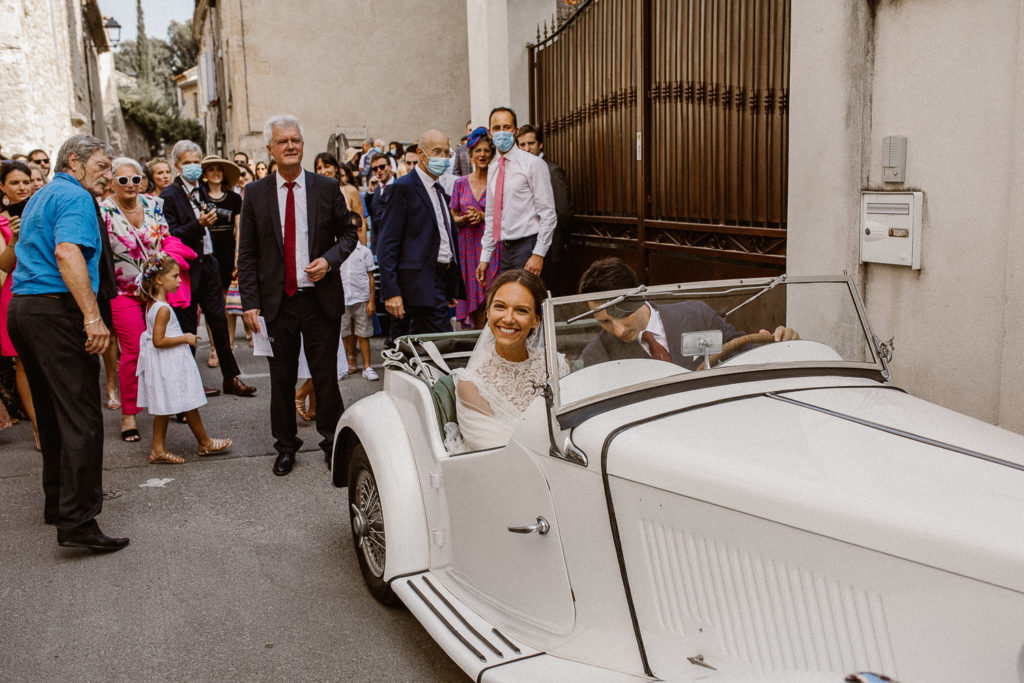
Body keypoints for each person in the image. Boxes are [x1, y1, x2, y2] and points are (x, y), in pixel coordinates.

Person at [7, 134, 129, 552]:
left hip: (24, 310)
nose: (108, 174)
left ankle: (58, 502)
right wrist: (93, 317)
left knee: (53, 411)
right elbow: (66, 252)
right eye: (102, 165)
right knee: (80, 415)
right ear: (74, 161)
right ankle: (78, 520)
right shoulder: (75, 196)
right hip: (53, 311)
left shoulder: (42, 194)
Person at [237, 114, 358, 477]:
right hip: (278, 304)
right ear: (271, 149)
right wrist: (250, 303)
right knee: (281, 379)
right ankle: (286, 446)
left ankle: (331, 442)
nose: (290, 146)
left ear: (302, 145)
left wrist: (329, 260)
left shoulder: (325, 187)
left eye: (296, 140)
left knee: (325, 378)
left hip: (320, 301)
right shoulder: (256, 194)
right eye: (283, 141)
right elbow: (247, 254)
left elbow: (349, 235)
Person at [577, 257, 799, 369]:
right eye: (605, 321)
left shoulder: (697, 315)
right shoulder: (597, 356)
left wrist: (777, 344)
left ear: (639, 296)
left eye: (622, 314)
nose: (618, 330)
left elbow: (739, 350)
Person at [160, 140, 255, 398]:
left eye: (195, 162)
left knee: (219, 322)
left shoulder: (201, 190)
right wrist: (198, 224)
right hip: (186, 268)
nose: (192, 167)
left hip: (209, 263)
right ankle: (190, 382)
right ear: (178, 166)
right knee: (188, 326)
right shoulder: (169, 195)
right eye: (187, 163)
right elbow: (168, 234)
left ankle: (231, 377)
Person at [453, 269, 569, 452]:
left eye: (521, 310)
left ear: (536, 320)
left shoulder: (556, 365)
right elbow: (494, 449)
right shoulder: (472, 383)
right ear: (488, 312)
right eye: (500, 307)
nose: (508, 318)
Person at [99, 157, 171, 442]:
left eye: (136, 179)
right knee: (134, 350)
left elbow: (164, 241)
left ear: (143, 180)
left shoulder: (155, 204)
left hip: (155, 289)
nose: (130, 185)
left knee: (161, 345)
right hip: (121, 291)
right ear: (112, 182)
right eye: (123, 180)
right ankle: (129, 413)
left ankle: (165, 403)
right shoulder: (103, 209)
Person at [135, 254, 232, 464]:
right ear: (159, 279)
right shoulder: (162, 309)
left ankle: (158, 449)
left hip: (166, 362)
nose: (180, 280)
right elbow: (158, 340)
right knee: (186, 401)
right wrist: (185, 338)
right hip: (170, 363)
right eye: (175, 276)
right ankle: (204, 442)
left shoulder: (153, 304)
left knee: (166, 407)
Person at [378, 129, 466, 337]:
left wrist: (448, 286)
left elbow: (443, 239)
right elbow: (387, 243)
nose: (443, 158)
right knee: (440, 342)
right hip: (416, 285)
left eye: (446, 153)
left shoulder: (440, 192)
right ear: (420, 153)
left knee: (420, 348)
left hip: (437, 283)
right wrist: (391, 292)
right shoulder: (404, 189)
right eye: (437, 151)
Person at [476, 107, 557, 282]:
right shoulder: (494, 168)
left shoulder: (533, 164)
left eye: (507, 127)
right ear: (490, 133)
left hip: (528, 246)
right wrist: (485, 257)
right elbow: (491, 216)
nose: (502, 133)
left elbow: (548, 213)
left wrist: (538, 253)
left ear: (516, 131)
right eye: (497, 128)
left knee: (530, 303)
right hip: (505, 250)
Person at [1, 161, 38, 448]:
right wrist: (14, 238)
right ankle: (39, 428)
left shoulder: (44, 210)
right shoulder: (2, 221)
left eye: (25, 181)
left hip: (48, 288)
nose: (22, 187)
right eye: (14, 182)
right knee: (24, 362)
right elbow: (3, 265)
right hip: (14, 292)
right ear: (3, 188)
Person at [450, 128, 500, 329]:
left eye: (486, 151)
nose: (482, 155)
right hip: (468, 248)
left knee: (491, 293)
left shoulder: (498, 182)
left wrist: (482, 216)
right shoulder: (460, 183)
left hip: (492, 248)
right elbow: (452, 216)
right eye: (478, 151)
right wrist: (463, 219)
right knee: (472, 294)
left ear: (492, 154)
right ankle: (477, 342)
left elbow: (505, 216)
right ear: (471, 155)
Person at [516, 124, 574, 295]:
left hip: (550, 250)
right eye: (522, 145)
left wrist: (559, 243)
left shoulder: (552, 171)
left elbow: (563, 212)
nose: (527, 148)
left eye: (531, 143)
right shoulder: (523, 170)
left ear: (540, 144)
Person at [199, 155, 243, 369]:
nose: (215, 172)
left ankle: (230, 346)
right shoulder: (199, 197)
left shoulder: (234, 199)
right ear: (204, 175)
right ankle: (215, 347)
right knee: (211, 304)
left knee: (228, 304)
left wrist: (237, 256)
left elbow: (239, 230)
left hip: (227, 254)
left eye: (219, 169)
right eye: (211, 169)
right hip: (207, 252)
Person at [340, 224, 377, 380]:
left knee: (363, 334)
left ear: (359, 231)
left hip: (361, 299)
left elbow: (371, 278)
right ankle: (343, 365)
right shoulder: (338, 251)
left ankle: (367, 367)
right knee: (344, 334)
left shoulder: (365, 252)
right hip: (342, 299)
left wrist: (371, 301)